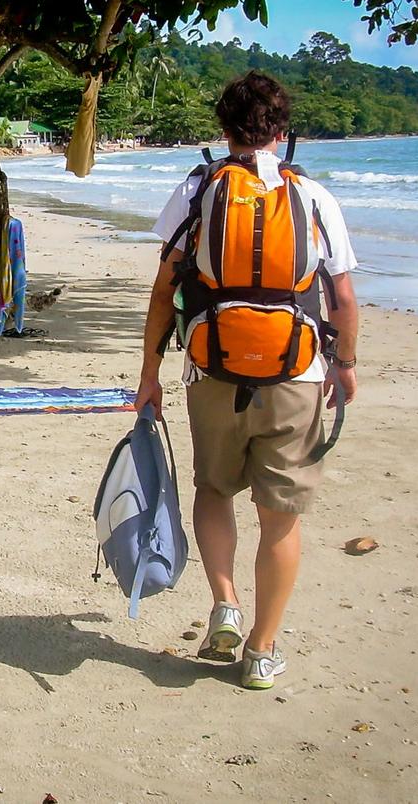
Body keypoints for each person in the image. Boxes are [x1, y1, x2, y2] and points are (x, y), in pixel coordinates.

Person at [134, 71, 359, 691]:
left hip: (212, 371)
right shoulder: (313, 197)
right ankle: (261, 650)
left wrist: (149, 374)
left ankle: (226, 604)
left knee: (214, 489)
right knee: (280, 515)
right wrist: (346, 363)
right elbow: (341, 295)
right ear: (284, 131)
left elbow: (164, 289)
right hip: (297, 372)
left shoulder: (198, 187)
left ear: (225, 129)